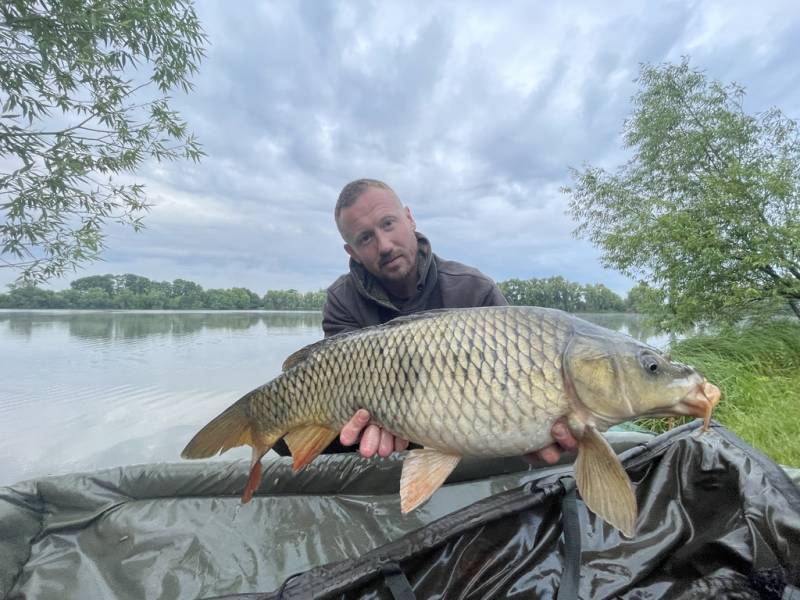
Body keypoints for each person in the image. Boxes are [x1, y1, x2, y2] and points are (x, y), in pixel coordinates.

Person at [278, 178, 577, 461]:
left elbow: (516, 381)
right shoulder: (342, 300)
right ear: (352, 252)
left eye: (388, 224)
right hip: (380, 432)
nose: (384, 245)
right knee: (290, 437)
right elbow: (337, 391)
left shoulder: (474, 290)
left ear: (409, 218)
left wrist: (524, 430)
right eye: (366, 238)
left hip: (469, 432)